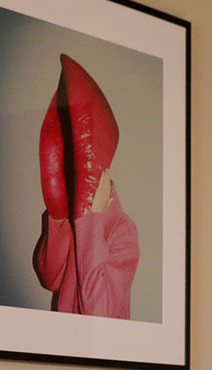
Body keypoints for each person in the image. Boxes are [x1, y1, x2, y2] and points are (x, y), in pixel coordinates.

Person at [32, 55, 139, 319]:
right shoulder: (71, 222)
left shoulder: (123, 231)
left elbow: (99, 311)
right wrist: (58, 217)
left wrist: (92, 218)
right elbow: (50, 278)